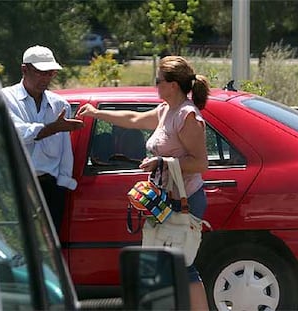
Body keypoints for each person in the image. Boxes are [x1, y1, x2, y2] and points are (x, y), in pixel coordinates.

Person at [76, 55, 210, 310]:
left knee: (182, 264)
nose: (155, 85)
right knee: (164, 262)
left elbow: (201, 163)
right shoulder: (165, 111)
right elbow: (134, 120)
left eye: (158, 81)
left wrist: (162, 163)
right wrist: (96, 113)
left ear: (172, 85)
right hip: (164, 200)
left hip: (185, 200)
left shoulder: (187, 116)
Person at [1, 45, 84, 234]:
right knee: (21, 247)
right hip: (17, 186)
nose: (45, 78)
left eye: (50, 73)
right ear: (24, 69)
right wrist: (52, 128)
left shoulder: (59, 104)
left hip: (50, 187)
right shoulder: (5, 98)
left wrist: (62, 184)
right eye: (40, 73)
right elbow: (18, 134)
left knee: (49, 249)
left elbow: (65, 151)